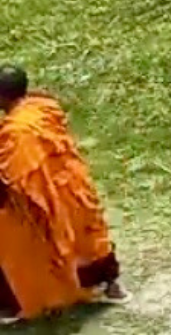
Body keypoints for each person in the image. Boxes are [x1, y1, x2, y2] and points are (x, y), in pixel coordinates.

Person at [0, 67, 123, 321]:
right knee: (88, 239)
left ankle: (10, 306)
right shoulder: (42, 109)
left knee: (14, 241)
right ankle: (110, 287)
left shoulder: (19, 131)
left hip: (46, 195)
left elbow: (16, 176)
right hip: (72, 186)